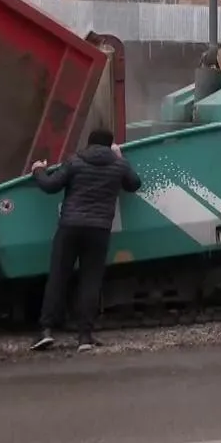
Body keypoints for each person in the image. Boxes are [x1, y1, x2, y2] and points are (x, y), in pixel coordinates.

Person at [28, 128, 142, 351]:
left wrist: (38, 170)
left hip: (70, 227)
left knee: (58, 277)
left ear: (90, 144)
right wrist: (120, 158)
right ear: (111, 146)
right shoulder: (119, 165)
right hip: (98, 230)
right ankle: (85, 337)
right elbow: (134, 184)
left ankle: (46, 331)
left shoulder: (75, 161)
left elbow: (51, 186)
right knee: (91, 281)